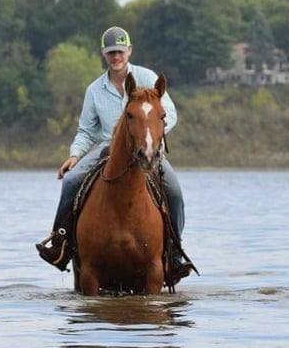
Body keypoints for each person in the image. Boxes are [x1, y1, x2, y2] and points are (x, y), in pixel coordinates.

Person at [36, 26, 194, 282]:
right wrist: (75, 155)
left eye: (120, 51)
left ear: (129, 51)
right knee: (72, 180)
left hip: (148, 147)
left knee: (174, 191)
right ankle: (60, 242)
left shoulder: (148, 78)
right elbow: (86, 130)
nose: (116, 57)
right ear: (104, 54)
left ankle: (174, 253)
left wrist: (150, 137)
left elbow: (169, 115)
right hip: (106, 148)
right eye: (111, 53)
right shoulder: (94, 90)